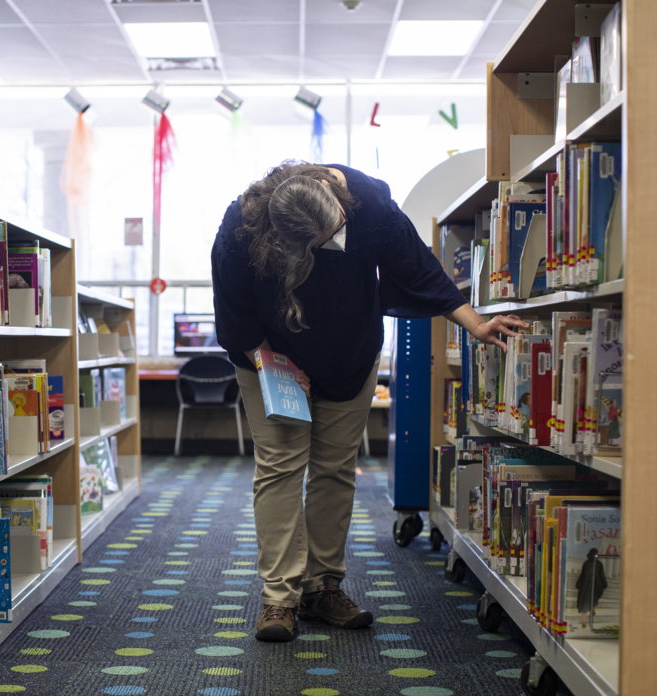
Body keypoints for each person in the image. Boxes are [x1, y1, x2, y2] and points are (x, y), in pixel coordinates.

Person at [211, 161, 527, 642]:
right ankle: (279, 600)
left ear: (331, 194)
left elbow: (416, 264)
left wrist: (474, 323)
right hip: (270, 357)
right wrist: (271, 362)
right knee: (280, 466)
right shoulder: (240, 230)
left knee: (335, 467)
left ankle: (323, 587)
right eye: (323, 243)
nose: (338, 244)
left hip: (350, 351)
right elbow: (234, 317)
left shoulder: (371, 201)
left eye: (338, 229)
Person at [576, 547, 608, 629]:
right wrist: (604, 584)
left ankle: (584, 622)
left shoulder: (586, 563)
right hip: (595, 586)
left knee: (583, 605)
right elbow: (602, 576)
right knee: (594, 598)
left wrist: (578, 584)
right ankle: (593, 609)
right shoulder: (599, 564)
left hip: (585, 587)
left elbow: (582, 575)